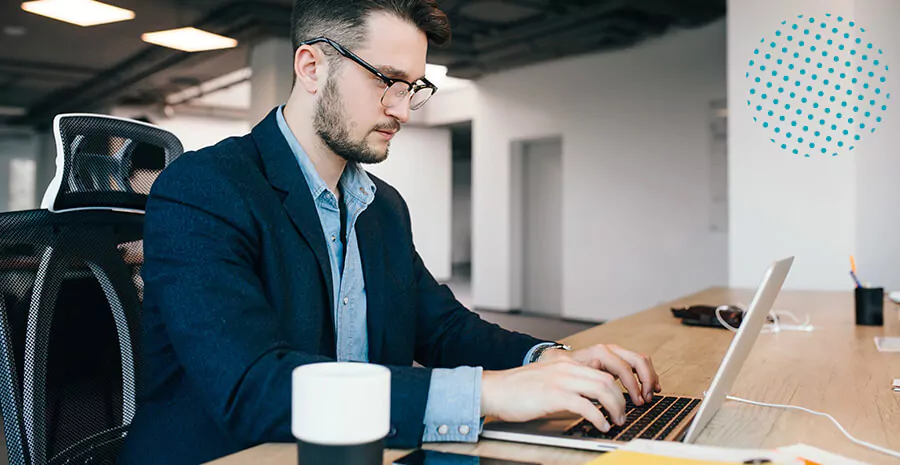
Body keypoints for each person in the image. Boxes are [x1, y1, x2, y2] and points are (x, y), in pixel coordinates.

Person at [118, 1, 661, 463]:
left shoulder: (382, 207)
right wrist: (490, 393)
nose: (402, 108)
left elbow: (444, 329)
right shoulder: (204, 188)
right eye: (386, 81)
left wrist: (544, 359)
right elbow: (251, 388)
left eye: (415, 86)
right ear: (311, 67)